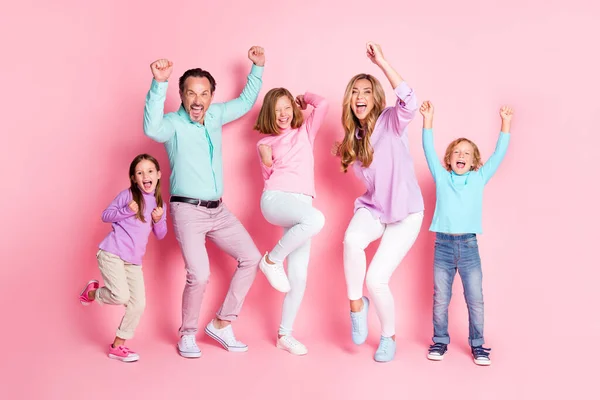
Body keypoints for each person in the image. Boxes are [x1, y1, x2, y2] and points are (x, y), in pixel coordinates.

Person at [143, 47, 278, 358]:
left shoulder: (215, 114)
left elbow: (245, 103)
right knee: (200, 274)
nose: (197, 99)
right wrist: (157, 84)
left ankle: (222, 323)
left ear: (211, 96)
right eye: (191, 93)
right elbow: (150, 129)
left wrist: (257, 68)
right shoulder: (172, 125)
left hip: (219, 210)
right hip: (187, 210)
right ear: (181, 95)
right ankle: (187, 333)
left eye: (204, 94)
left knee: (251, 258)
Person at [334, 42, 424, 362]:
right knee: (351, 240)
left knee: (376, 279)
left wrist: (382, 63)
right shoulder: (354, 138)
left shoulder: (391, 120)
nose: (360, 97)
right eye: (355, 91)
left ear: (375, 98)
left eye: (366, 91)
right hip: (375, 208)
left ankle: (388, 336)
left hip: (405, 214)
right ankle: (356, 305)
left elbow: (411, 101)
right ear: (349, 99)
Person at [420, 100, 513, 366]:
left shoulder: (478, 178)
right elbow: (427, 149)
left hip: (469, 246)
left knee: (475, 299)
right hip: (443, 246)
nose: (461, 155)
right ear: (448, 159)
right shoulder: (441, 176)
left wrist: (505, 124)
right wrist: (428, 120)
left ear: (474, 162)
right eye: (456, 152)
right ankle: (439, 341)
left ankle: (478, 345)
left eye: (467, 153)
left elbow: (498, 154)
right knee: (441, 299)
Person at [254, 87, 329, 354]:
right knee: (317, 219)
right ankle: (271, 260)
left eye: (287, 108)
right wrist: (265, 161)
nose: (283, 114)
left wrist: (305, 97)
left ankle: (284, 334)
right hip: (276, 200)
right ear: (269, 115)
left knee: (298, 275)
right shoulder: (265, 143)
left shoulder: (305, 132)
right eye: (277, 110)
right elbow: (268, 177)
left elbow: (323, 103)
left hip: (301, 207)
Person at [78, 154, 167, 362]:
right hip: (112, 253)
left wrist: (158, 219)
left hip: (133, 262)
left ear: (158, 175)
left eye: (150, 171)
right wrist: (127, 210)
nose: (145, 175)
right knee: (120, 296)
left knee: (138, 304)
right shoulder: (127, 196)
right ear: (134, 178)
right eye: (140, 172)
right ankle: (91, 294)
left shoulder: (158, 203)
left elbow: (161, 234)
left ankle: (117, 346)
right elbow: (105, 215)